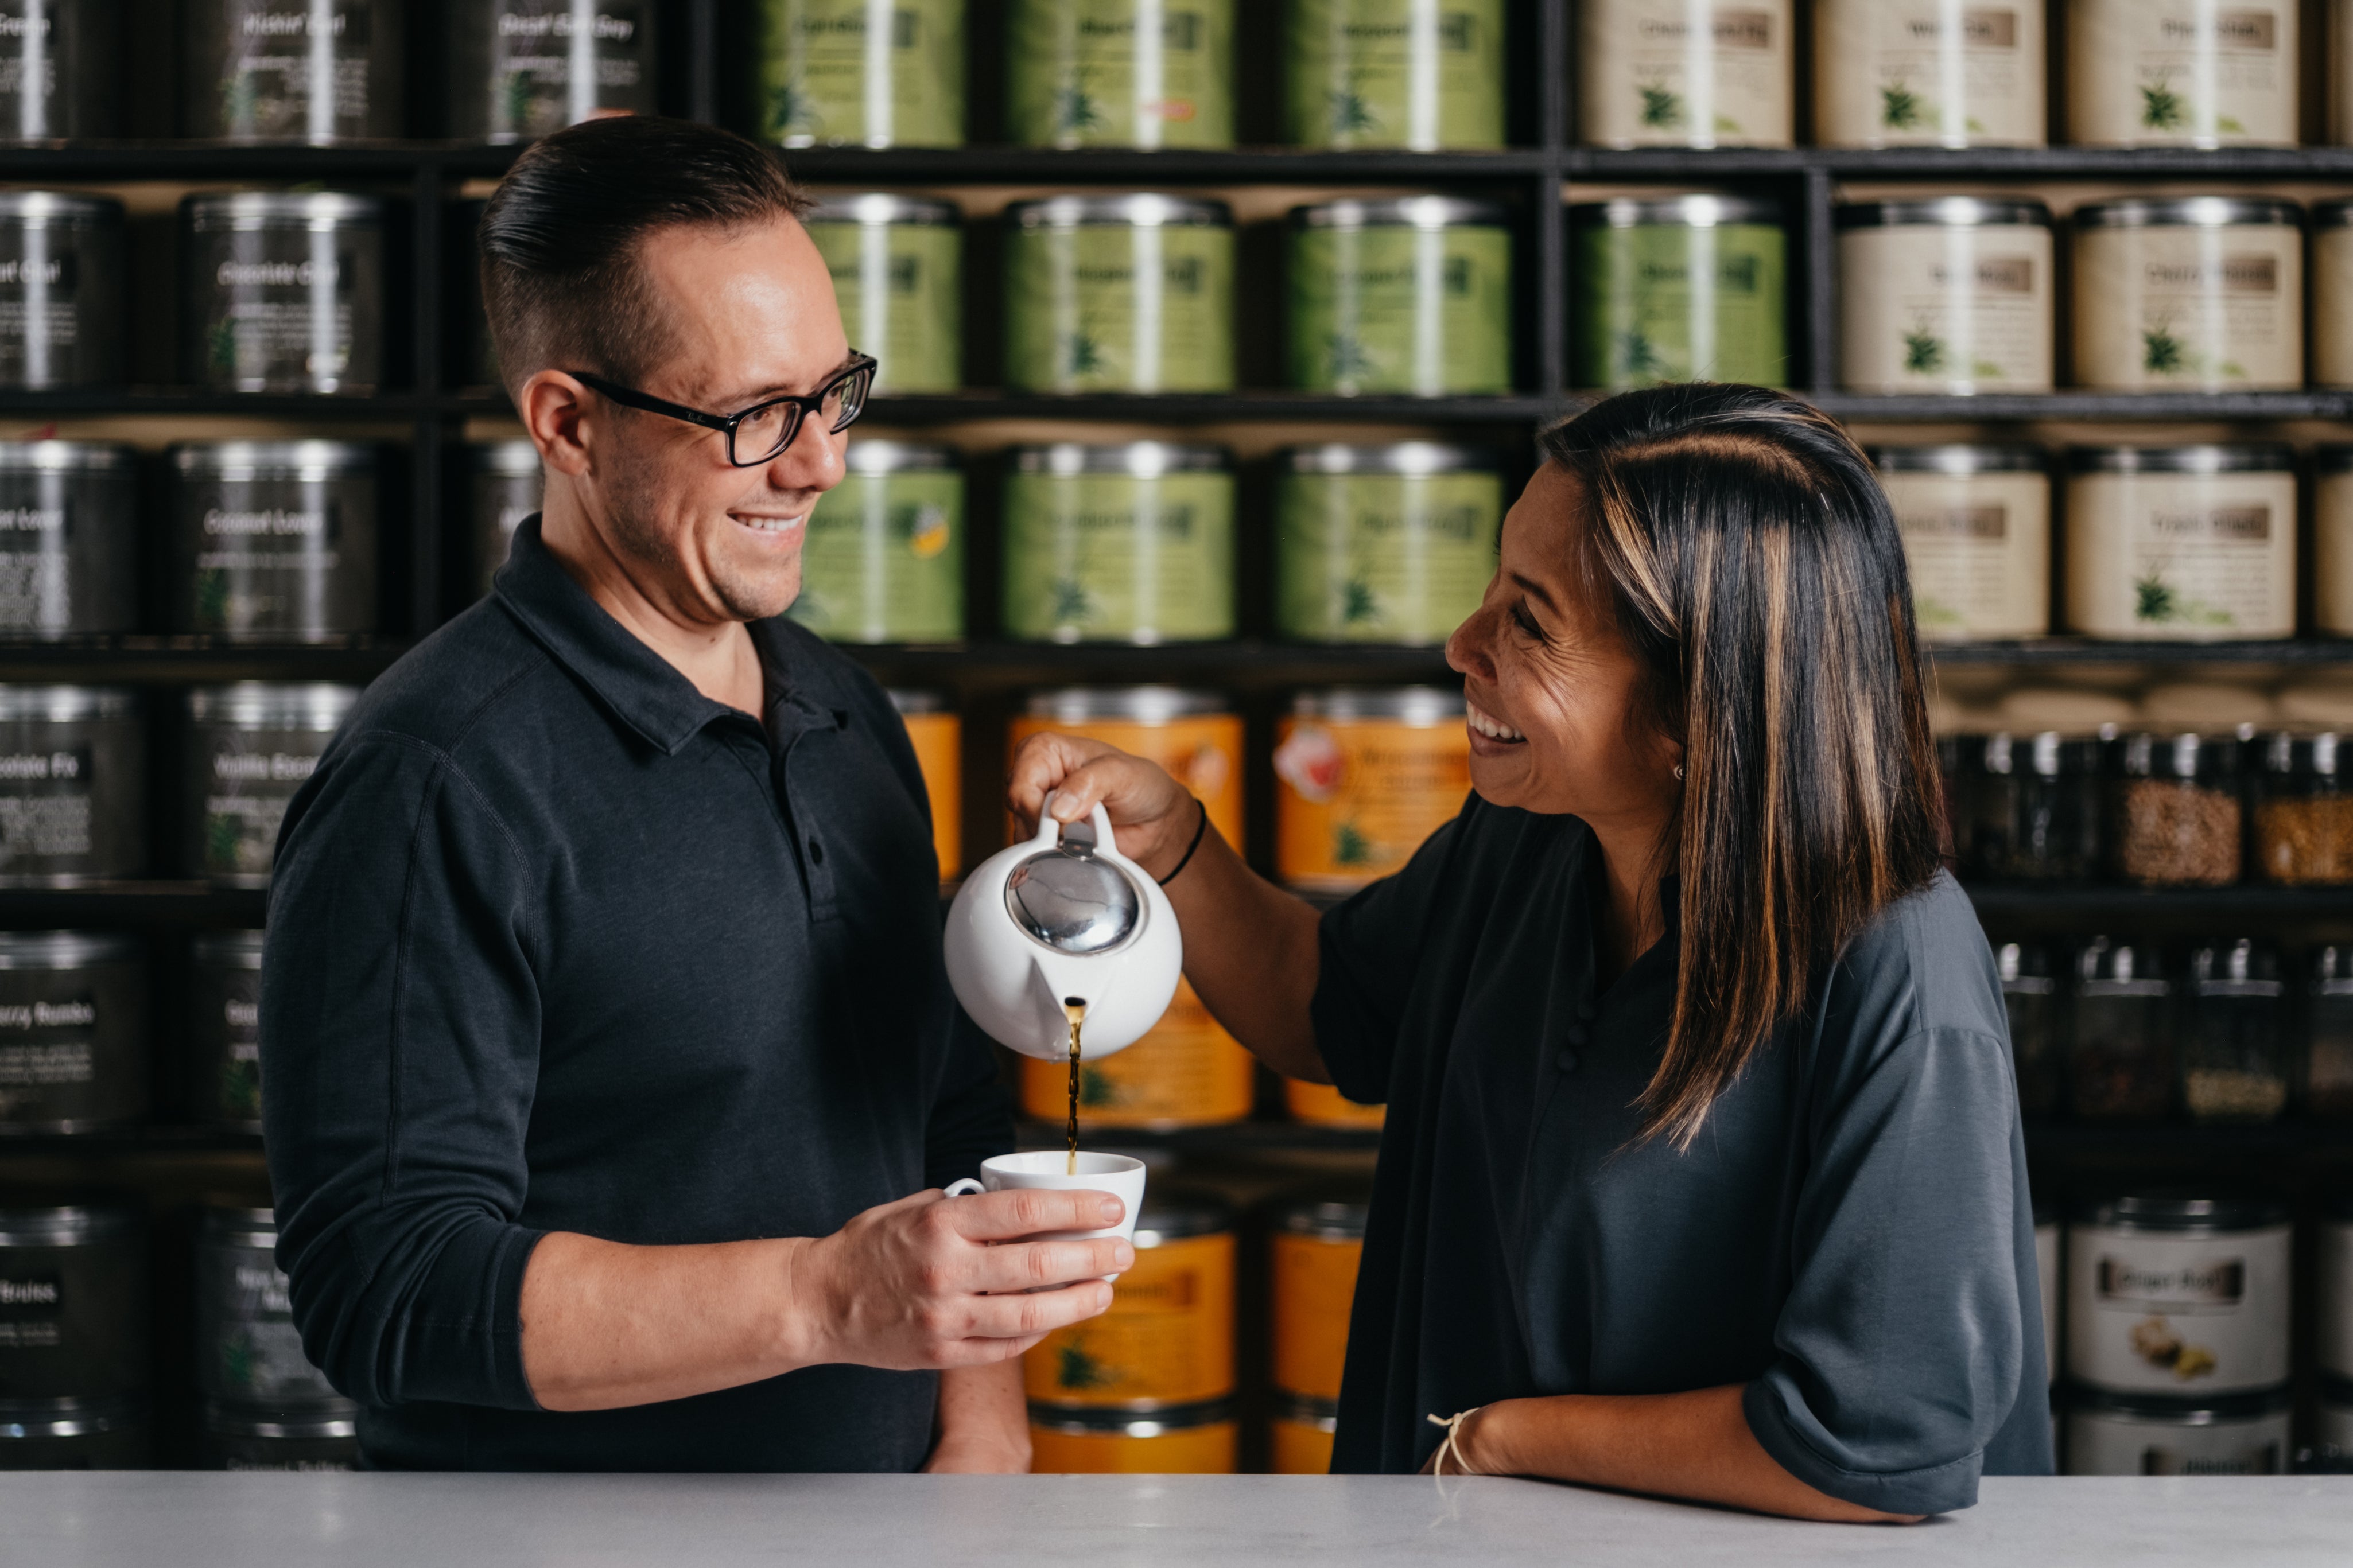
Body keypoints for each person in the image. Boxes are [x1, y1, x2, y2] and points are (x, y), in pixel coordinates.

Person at [1011, 384, 2052, 1520]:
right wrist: (1179, 846)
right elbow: (1326, 1004)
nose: (1460, 643)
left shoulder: (1898, 967)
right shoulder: (1527, 841)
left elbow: (1875, 1443)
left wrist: (1501, 1438)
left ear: (1693, 718)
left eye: (1530, 620)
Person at [259, 116, 1126, 1473]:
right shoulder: (434, 781)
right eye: (754, 415)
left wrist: (982, 1434)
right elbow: (390, 1288)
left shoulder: (848, 712)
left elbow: (947, 1122)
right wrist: (829, 1295)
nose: (820, 462)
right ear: (568, 421)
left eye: (834, 392)